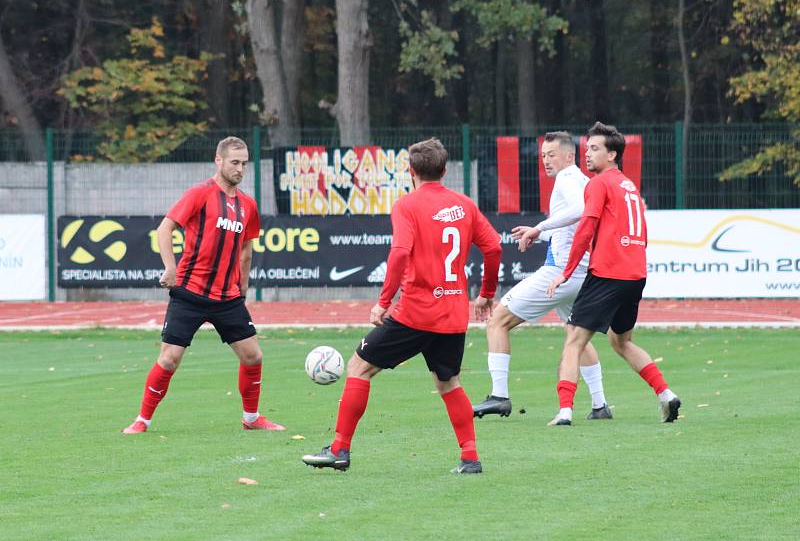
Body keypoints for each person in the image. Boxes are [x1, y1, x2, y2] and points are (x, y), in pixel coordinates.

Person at [302, 138, 502, 474]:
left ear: (411, 171)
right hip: (453, 314)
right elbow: (494, 247)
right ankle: (470, 458)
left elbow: (398, 253)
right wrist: (486, 294)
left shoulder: (408, 205)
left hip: (416, 311)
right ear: (445, 169)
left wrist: (383, 303)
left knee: (359, 367)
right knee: (448, 382)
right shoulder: (465, 204)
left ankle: (339, 449)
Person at [122, 136, 285, 434]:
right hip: (190, 293)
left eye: (244, 163)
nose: (240, 169)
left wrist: (243, 288)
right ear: (219, 161)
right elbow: (165, 228)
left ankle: (252, 419)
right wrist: (170, 267)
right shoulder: (200, 194)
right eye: (234, 162)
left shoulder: (248, 205)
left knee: (253, 355)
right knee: (169, 358)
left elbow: (247, 250)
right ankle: (142, 420)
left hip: (228, 298)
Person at [546, 122, 681, 425]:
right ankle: (666, 394)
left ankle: (565, 410)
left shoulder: (599, 183)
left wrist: (566, 272)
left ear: (613, 154)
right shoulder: (629, 186)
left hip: (608, 273)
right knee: (621, 342)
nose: (588, 154)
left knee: (574, 340)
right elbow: (642, 234)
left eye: (594, 149)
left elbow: (585, 228)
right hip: (635, 275)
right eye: (587, 148)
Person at [472, 131, 612, 423]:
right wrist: (541, 231)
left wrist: (539, 227)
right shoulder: (582, 180)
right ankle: (600, 405)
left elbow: (581, 210)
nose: (546, 161)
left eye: (551, 155)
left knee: (498, 320)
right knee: (576, 336)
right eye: (543, 155)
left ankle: (499, 396)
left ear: (569, 156)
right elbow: (576, 221)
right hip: (581, 275)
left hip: (560, 273)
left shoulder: (567, 179)